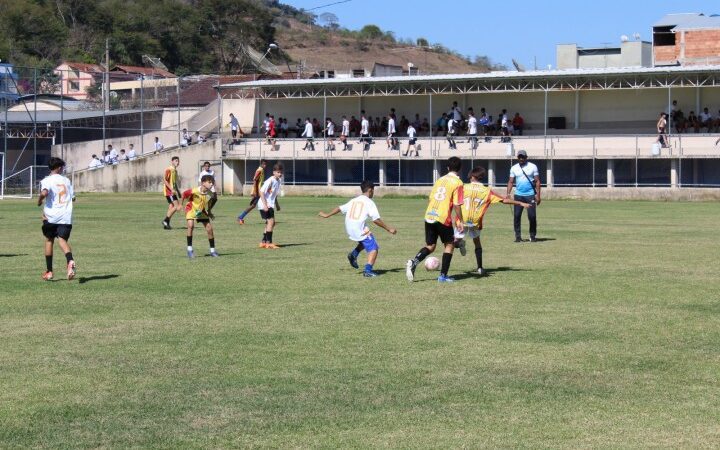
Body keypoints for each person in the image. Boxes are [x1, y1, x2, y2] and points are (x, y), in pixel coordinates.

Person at [453, 166, 531, 276]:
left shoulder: (463, 187)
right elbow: (504, 200)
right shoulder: (487, 191)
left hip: (462, 220)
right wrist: (520, 203)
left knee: (455, 242)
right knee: (475, 242)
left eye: (470, 176)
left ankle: (478, 265)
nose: (469, 177)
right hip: (475, 221)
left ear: (473, 176)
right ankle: (478, 265)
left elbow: (454, 199)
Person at [318, 180, 397, 277]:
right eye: (373, 190)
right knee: (373, 248)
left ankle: (353, 254)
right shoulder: (369, 202)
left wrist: (327, 215)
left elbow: (339, 208)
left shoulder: (354, 200)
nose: (373, 193)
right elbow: (376, 220)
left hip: (349, 227)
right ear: (370, 190)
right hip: (358, 228)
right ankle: (368, 271)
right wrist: (389, 229)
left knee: (365, 240)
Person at [406, 156, 465, 283]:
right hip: (443, 217)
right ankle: (443, 276)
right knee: (449, 245)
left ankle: (414, 262)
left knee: (430, 246)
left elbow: (430, 198)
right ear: (460, 169)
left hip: (429, 215)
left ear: (448, 168)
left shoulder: (440, 180)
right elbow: (456, 204)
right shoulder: (458, 183)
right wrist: (461, 220)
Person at [37, 157, 76, 281]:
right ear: (59, 168)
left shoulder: (47, 180)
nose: (63, 169)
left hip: (51, 216)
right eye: (62, 167)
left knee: (49, 240)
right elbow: (73, 197)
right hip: (65, 216)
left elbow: (44, 193)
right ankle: (70, 260)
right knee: (62, 240)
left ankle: (49, 272)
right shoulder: (66, 180)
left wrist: (39, 201)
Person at [506, 150, 541, 242]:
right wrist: (508, 194)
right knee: (517, 216)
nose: (521, 159)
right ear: (517, 158)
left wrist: (538, 195)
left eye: (523, 157)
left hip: (530, 195)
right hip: (518, 195)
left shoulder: (533, 167)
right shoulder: (514, 168)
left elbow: (537, 181)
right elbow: (510, 181)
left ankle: (532, 236)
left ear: (526, 157)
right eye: (519, 157)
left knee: (532, 216)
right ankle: (518, 237)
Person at [182, 175, 218, 258]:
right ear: (203, 183)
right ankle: (189, 250)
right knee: (191, 226)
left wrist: (209, 211)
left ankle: (212, 251)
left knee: (209, 229)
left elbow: (210, 201)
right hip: (191, 209)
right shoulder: (194, 191)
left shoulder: (210, 194)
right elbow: (184, 194)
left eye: (212, 182)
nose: (211, 184)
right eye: (209, 182)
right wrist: (180, 205)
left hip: (201, 211)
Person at [258, 163, 283, 249]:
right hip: (264, 204)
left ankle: (263, 242)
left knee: (271, 223)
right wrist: (265, 205)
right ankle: (269, 243)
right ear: (274, 172)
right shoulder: (270, 180)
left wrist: (277, 204)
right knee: (271, 222)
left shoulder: (278, 181)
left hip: (270, 204)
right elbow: (261, 192)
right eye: (278, 172)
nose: (280, 174)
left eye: (281, 172)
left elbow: (274, 194)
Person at [237, 159, 267, 224]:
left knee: (254, 205)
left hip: (260, 191)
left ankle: (241, 217)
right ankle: (240, 217)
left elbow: (259, 181)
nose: (265, 165)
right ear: (261, 164)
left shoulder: (261, 170)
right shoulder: (259, 170)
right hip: (258, 192)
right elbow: (255, 180)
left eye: (265, 164)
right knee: (258, 204)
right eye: (264, 164)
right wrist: (255, 191)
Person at [162, 156, 181, 230]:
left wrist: (178, 191)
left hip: (172, 191)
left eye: (178, 161)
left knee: (171, 206)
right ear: (172, 161)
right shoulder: (169, 169)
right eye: (176, 161)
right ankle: (165, 220)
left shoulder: (175, 171)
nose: (178, 162)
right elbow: (165, 180)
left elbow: (174, 182)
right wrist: (171, 189)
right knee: (177, 206)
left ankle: (166, 224)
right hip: (169, 191)